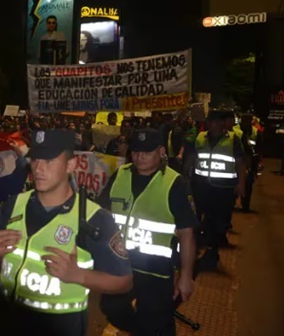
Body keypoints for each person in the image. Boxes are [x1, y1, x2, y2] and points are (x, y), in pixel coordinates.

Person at [0, 129, 132, 336]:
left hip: (61, 327)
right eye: (35, 159)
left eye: (49, 160)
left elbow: (124, 281)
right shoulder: (13, 205)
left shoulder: (94, 218)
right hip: (10, 319)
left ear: (70, 165)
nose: (38, 168)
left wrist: (78, 275)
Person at [97, 128, 198, 336]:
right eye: (135, 151)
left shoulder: (175, 184)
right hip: (121, 266)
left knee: (156, 321)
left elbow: (187, 233)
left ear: (161, 151)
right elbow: (103, 213)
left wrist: (185, 276)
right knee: (112, 307)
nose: (139, 156)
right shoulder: (121, 175)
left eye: (146, 151)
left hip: (156, 272)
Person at [192, 110, 245, 270]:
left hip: (223, 189)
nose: (211, 125)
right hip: (202, 186)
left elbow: (241, 163)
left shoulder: (233, 139)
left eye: (214, 122)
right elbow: (193, 158)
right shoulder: (200, 137)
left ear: (221, 124)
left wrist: (241, 184)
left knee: (218, 221)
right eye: (209, 122)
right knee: (200, 218)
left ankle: (212, 251)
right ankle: (203, 249)